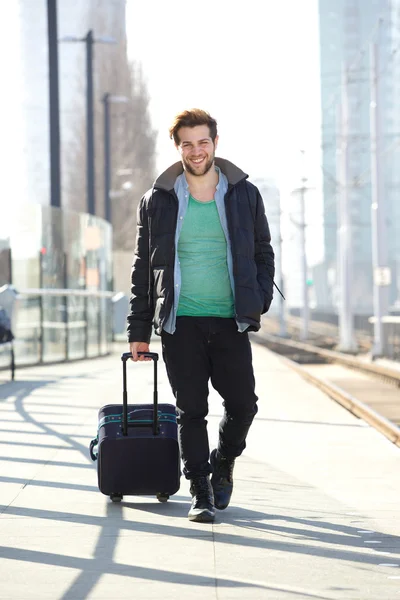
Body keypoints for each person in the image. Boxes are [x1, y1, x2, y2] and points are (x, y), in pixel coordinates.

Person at [127, 109, 275, 523]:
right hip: (181, 322)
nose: (196, 151)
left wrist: (258, 297)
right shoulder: (158, 199)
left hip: (230, 319)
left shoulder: (245, 193)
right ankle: (200, 491)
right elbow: (144, 267)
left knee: (244, 404)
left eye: (203, 142)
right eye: (187, 144)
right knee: (191, 410)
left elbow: (263, 253)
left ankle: (224, 459)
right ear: (178, 148)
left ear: (215, 143)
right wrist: (138, 330)